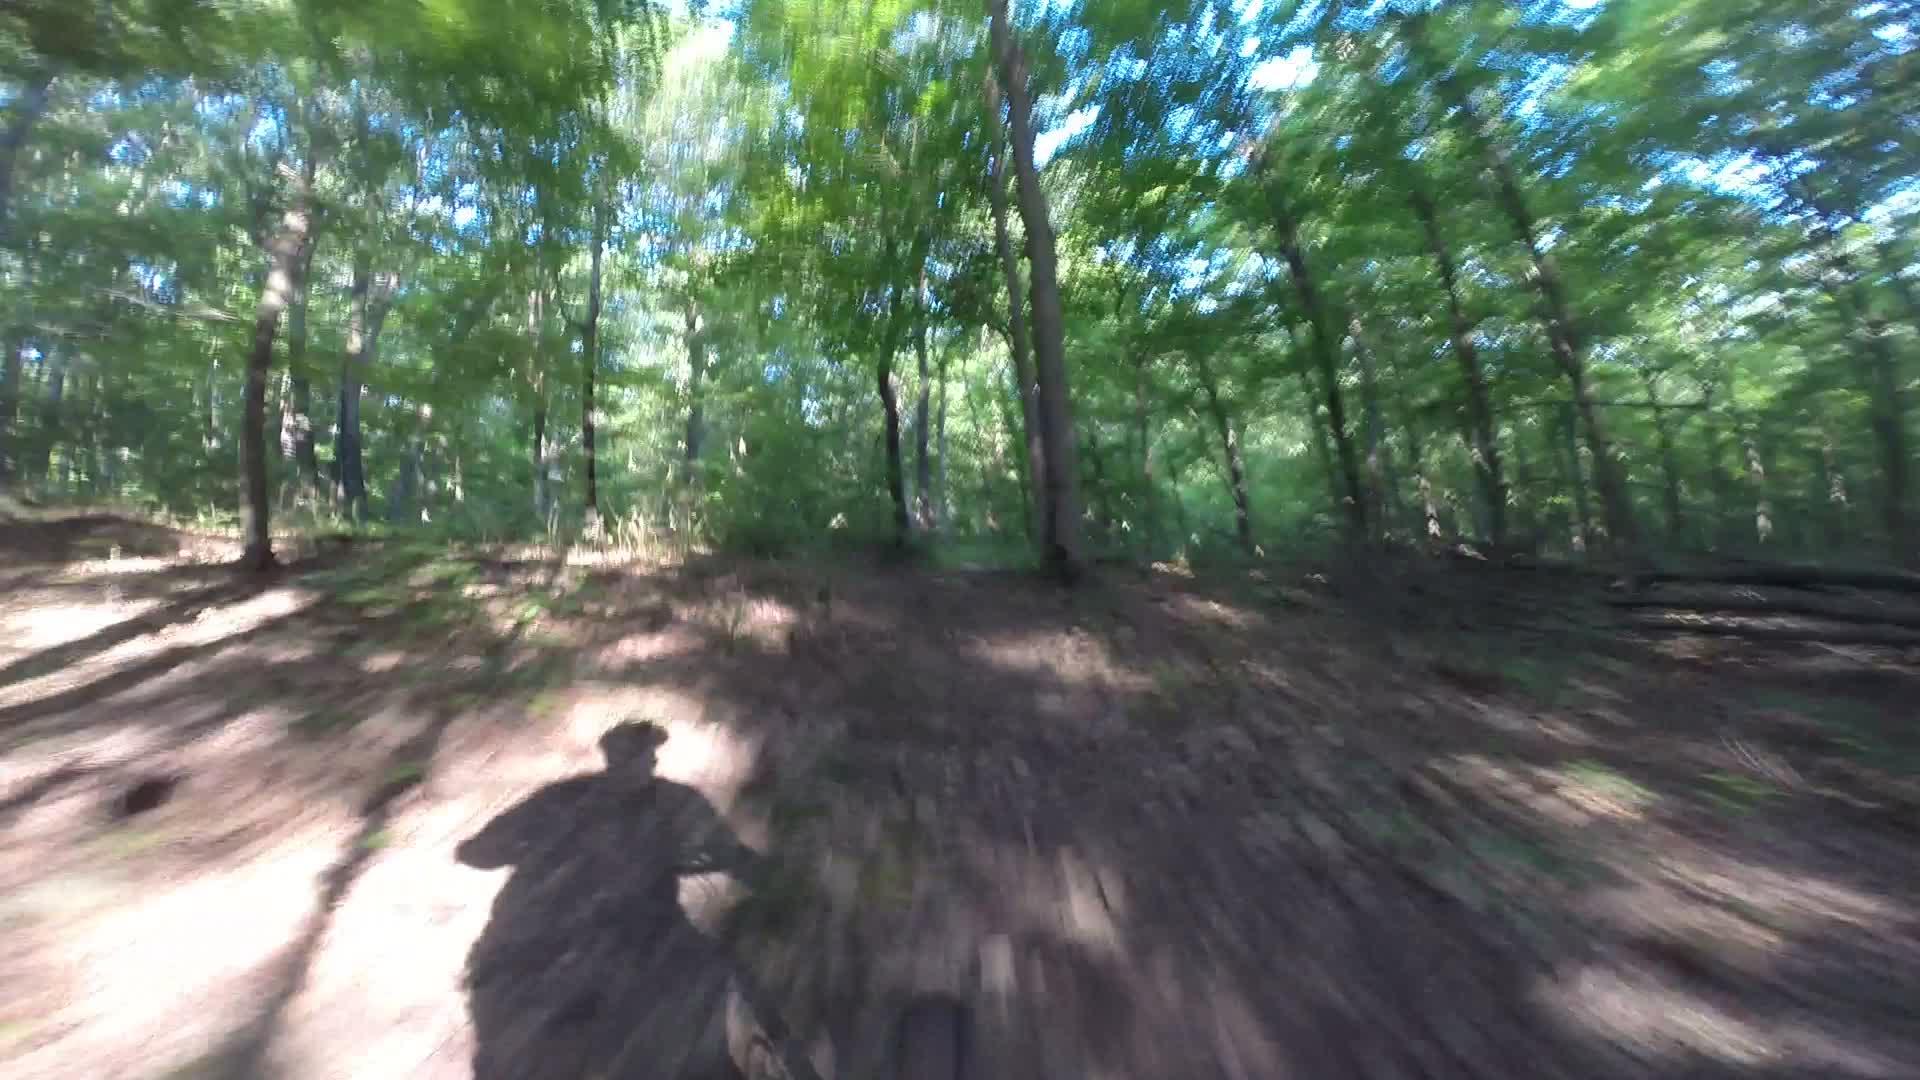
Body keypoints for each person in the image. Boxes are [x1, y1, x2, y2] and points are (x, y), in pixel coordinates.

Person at [457, 721, 754, 1079]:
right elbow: (731, 853)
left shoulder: (563, 796)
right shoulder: (673, 800)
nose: (642, 762)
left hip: (543, 931)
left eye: (640, 755)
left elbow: (477, 852)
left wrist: (521, 849)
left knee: (496, 1001)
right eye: (637, 754)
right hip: (625, 932)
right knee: (702, 975)